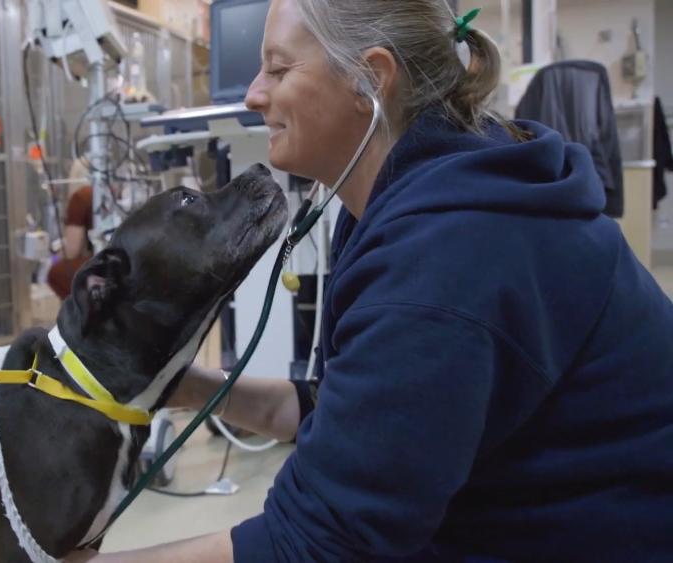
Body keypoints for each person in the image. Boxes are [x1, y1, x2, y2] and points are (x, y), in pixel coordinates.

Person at [66, 0, 673, 561]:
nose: (253, 95)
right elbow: (342, 415)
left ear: (370, 79)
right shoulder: (412, 197)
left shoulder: (442, 259)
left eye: (278, 70)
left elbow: (315, 543)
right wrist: (189, 386)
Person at [47, 161, 95, 299]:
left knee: (56, 273)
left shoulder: (80, 197)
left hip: (103, 264)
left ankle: (82, 314)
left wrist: (55, 258)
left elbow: (72, 251)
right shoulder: (107, 192)